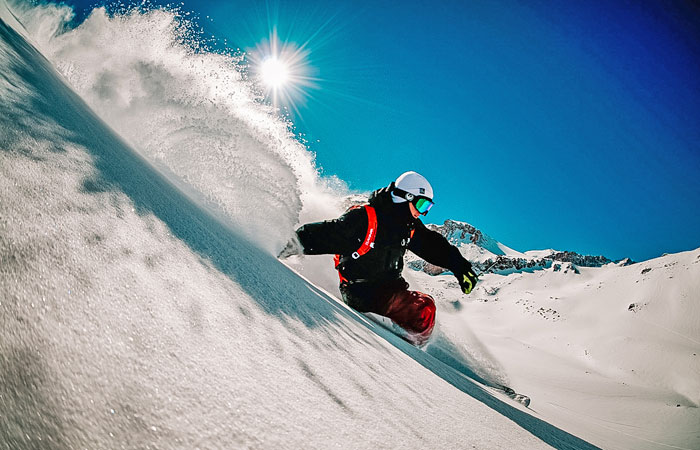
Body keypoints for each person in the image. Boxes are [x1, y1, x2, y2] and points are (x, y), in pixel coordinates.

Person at [279, 171, 478, 345]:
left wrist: (460, 267)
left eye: (428, 207)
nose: (423, 213)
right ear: (405, 197)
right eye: (422, 204)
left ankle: (409, 339)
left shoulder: (408, 226)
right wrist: (284, 245)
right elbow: (324, 234)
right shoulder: (365, 219)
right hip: (361, 292)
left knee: (426, 308)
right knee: (423, 311)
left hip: (391, 289)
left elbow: (432, 245)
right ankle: (401, 340)